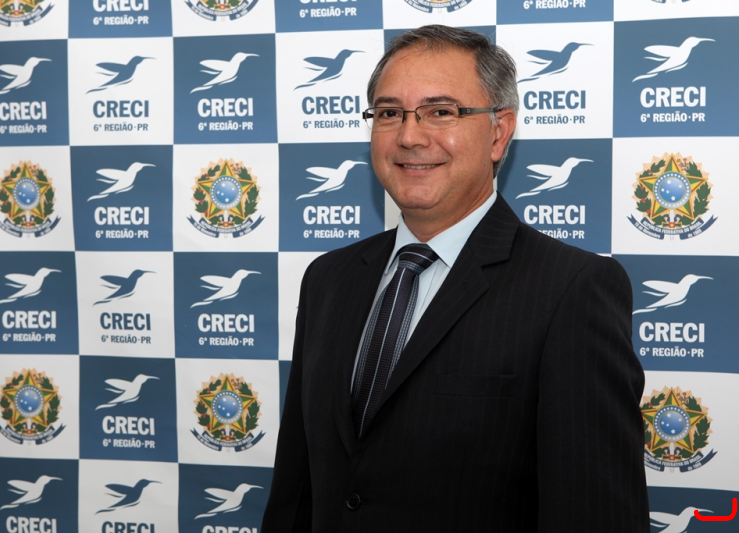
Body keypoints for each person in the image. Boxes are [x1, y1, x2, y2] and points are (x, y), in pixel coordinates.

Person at [263, 25, 649, 532]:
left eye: (441, 112)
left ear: (498, 132)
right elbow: (298, 490)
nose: (409, 136)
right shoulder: (328, 278)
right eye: (389, 113)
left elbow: (594, 512)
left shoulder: (573, 289)